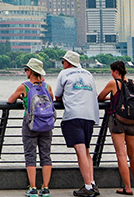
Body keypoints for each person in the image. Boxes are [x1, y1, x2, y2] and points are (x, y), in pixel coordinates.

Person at [98, 60, 134, 195]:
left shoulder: (113, 83)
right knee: (133, 155)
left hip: (118, 122)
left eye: (111, 71)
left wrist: (112, 99)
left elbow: (100, 97)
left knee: (121, 154)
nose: (111, 74)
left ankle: (127, 187)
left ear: (116, 71)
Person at [55, 51, 100, 197]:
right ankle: (92, 183)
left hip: (73, 115)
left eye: (63, 62)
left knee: (80, 151)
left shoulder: (64, 74)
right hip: (89, 115)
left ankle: (88, 187)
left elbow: (57, 95)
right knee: (86, 150)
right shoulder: (89, 74)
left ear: (67, 63)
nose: (62, 64)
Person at [8, 58, 54, 197]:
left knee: (30, 155)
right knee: (46, 155)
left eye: (26, 70)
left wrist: (23, 98)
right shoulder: (47, 86)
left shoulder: (25, 86)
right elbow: (52, 99)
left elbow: (10, 100)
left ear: (30, 72)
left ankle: (33, 187)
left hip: (31, 124)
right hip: (46, 124)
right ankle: (45, 188)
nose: (25, 72)